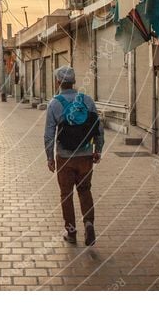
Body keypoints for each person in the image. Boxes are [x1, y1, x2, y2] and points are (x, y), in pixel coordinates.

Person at [44, 65, 104, 246]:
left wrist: (50, 157)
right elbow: (98, 128)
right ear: (74, 82)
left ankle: (71, 232)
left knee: (66, 194)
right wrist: (98, 149)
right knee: (85, 190)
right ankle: (88, 223)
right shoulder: (87, 100)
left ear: (57, 82)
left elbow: (49, 134)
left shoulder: (54, 104)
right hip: (85, 155)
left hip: (64, 157)